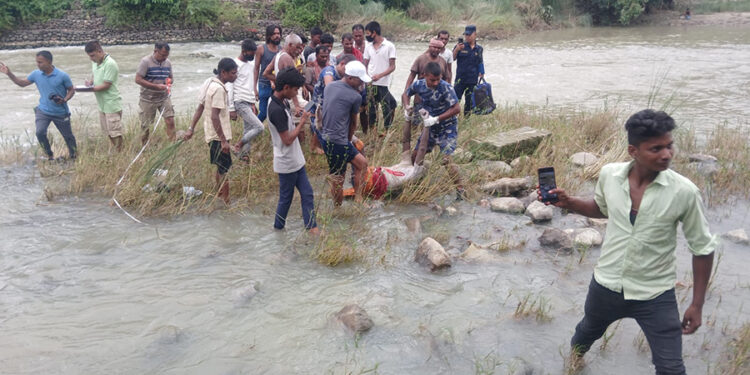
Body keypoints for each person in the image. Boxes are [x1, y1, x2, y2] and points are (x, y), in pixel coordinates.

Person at [542, 109, 717, 374]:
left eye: (669, 146)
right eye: (656, 148)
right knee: (585, 334)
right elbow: (603, 208)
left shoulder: (685, 192)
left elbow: (702, 249)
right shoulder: (609, 176)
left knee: (671, 368)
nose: (666, 154)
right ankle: (573, 365)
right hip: (606, 286)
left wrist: (696, 304)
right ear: (633, 151)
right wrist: (569, 202)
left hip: (655, 294)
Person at [267, 67, 319, 234]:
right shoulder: (276, 109)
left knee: (307, 193)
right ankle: (279, 229)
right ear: (286, 87)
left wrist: (299, 115)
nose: (296, 93)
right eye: (295, 90)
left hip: (294, 159)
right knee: (286, 199)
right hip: (287, 161)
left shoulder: (278, 101)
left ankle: (311, 228)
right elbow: (288, 139)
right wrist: (303, 121)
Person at [401, 62, 463, 198]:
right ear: (424, 76)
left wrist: (437, 119)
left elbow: (457, 108)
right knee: (415, 155)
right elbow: (406, 94)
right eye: (432, 80)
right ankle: (413, 182)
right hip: (429, 128)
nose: (435, 83)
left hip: (447, 127)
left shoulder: (446, 88)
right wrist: (407, 107)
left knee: (446, 159)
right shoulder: (419, 85)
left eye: (438, 79)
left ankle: (460, 189)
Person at [0, 52, 77, 160]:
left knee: (68, 136)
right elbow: (22, 83)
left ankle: (74, 156)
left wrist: (65, 99)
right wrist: (9, 73)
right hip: (43, 111)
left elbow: (71, 90)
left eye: (40, 62)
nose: (37, 64)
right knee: (40, 132)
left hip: (60, 112)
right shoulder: (36, 74)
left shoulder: (62, 75)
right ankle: (50, 156)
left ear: (49, 62)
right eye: (37, 62)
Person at [318, 61, 371, 205]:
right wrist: (348, 141)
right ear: (350, 78)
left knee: (362, 163)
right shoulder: (355, 97)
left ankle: (358, 198)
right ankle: (337, 210)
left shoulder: (329, 87)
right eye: (360, 80)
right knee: (338, 179)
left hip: (325, 138)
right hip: (338, 141)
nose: (362, 84)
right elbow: (353, 123)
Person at [187, 58, 238, 205]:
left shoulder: (209, 82)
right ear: (223, 72)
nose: (235, 76)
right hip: (218, 136)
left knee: (219, 168)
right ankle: (227, 202)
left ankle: (220, 196)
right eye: (233, 73)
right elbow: (214, 116)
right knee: (224, 170)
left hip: (211, 133)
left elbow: (200, 107)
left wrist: (191, 128)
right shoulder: (219, 89)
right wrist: (223, 140)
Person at [227, 39, 264, 162]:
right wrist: (231, 108)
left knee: (248, 130)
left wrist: (253, 102)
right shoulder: (234, 65)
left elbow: (250, 84)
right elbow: (230, 86)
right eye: (251, 54)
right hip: (240, 101)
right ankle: (238, 145)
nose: (253, 56)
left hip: (248, 100)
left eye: (254, 54)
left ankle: (244, 157)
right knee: (259, 127)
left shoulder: (250, 65)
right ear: (244, 51)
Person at [83, 40, 123, 152]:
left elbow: (106, 85)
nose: (91, 58)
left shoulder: (110, 63)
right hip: (102, 104)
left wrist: (89, 90)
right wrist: (90, 82)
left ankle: (119, 153)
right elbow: (94, 75)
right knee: (107, 132)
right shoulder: (95, 62)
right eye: (89, 56)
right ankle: (115, 152)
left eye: (92, 55)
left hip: (112, 103)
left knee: (115, 133)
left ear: (100, 51)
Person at [135, 42, 175, 145]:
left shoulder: (168, 63)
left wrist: (169, 82)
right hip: (148, 99)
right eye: (162, 55)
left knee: (170, 120)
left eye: (166, 55)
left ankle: (172, 145)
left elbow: (170, 78)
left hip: (164, 97)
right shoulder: (145, 62)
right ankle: (144, 146)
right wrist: (155, 86)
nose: (165, 57)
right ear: (155, 51)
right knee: (146, 125)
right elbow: (138, 79)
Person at [363, 21, 397, 131]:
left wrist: (380, 75)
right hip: (370, 83)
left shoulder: (389, 46)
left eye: (368, 33)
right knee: (372, 109)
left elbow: (392, 66)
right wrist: (367, 77)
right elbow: (365, 64)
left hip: (383, 83)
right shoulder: (368, 47)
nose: (367, 36)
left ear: (374, 33)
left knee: (386, 108)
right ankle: (372, 131)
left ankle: (387, 130)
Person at [453, 25, 484, 117]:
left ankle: (467, 119)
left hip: (472, 80)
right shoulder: (460, 46)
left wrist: (482, 73)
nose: (467, 37)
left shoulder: (479, 49)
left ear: (475, 35)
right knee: (455, 100)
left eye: (469, 35)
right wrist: (456, 50)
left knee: (469, 102)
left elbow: (480, 61)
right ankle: (453, 119)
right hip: (460, 79)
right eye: (466, 35)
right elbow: (452, 58)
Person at [254, 24, 282, 122]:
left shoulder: (281, 50)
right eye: (274, 34)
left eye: (278, 33)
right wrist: (254, 87)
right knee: (263, 113)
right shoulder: (261, 49)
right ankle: (253, 128)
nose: (277, 36)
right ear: (269, 36)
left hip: (277, 85)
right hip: (264, 84)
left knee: (277, 112)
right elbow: (256, 68)